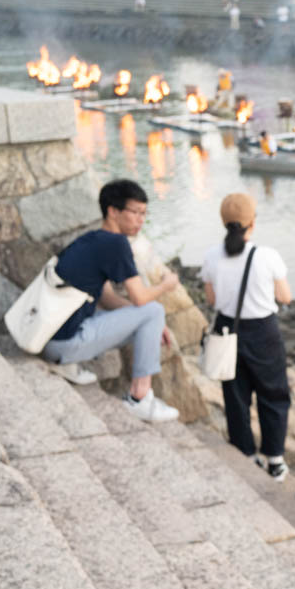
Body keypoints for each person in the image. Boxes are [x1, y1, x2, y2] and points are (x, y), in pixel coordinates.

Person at [40, 179, 182, 423]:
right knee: (154, 309)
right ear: (113, 212)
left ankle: (67, 365)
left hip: (50, 337)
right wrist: (166, 285)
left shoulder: (93, 239)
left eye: (144, 214)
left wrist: (152, 324)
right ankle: (139, 397)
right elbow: (139, 297)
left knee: (150, 315)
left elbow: (107, 298)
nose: (140, 220)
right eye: (135, 212)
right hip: (65, 342)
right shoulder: (116, 244)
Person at [199, 193, 294, 478]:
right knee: (273, 394)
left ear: (223, 222)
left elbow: (212, 298)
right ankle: (274, 458)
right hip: (263, 331)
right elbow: (285, 296)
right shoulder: (266, 255)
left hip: (228, 329)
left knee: (236, 395)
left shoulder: (211, 256)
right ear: (252, 222)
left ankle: (245, 453)